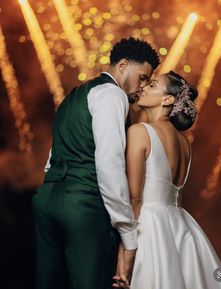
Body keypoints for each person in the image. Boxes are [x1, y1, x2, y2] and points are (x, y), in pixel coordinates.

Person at [32, 37, 160, 289]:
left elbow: (52, 155)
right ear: (122, 65)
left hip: (46, 199)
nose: (142, 87)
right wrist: (127, 230)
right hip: (83, 204)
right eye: (143, 77)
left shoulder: (76, 94)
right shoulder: (113, 94)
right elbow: (109, 164)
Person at [113, 71, 221, 289]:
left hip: (149, 226)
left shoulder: (139, 132)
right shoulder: (185, 143)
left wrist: (124, 258)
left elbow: (135, 198)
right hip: (181, 225)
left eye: (152, 85)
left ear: (168, 99)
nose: (144, 87)